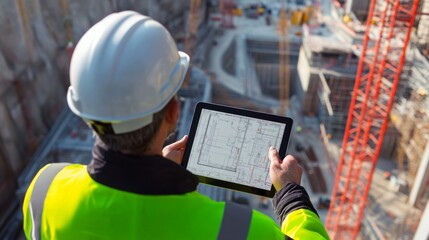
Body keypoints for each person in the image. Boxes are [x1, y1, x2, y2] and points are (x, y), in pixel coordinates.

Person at [22, 11, 329, 239]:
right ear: (173, 111)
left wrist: (155, 170)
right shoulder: (237, 229)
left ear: (85, 111)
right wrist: (290, 196)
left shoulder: (43, 190)